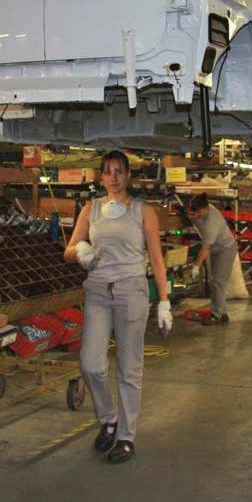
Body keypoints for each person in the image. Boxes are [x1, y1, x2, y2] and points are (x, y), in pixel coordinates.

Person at [64, 151, 171, 464]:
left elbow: (156, 257)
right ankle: (108, 418)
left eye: (120, 171)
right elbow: (68, 250)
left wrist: (164, 300)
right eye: (108, 171)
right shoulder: (91, 209)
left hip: (131, 293)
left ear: (128, 176)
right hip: (97, 292)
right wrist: (81, 251)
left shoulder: (142, 211)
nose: (114, 177)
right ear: (101, 176)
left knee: (129, 367)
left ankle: (125, 436)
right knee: (91, 364)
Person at [186, 193, 239, 325]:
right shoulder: (199, 211)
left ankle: (217, 315)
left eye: (198, 212)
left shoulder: (211, 221)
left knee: (218, 282)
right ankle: (222, 312)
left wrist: (196, 266)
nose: (197, 215)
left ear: (206, 208)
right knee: (214, 281)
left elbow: (205, 247)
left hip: (225, 249)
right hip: (216, 249)